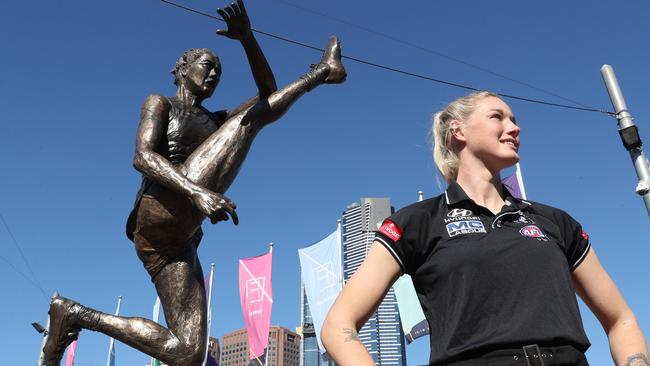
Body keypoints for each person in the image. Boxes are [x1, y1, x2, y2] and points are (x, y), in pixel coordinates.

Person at [42, 1, 346, 365]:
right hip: (159, 209)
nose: (215, 73)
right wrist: (198, 193)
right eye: (208, 65)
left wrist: (248, 39)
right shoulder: (160, 102)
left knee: (187, 353)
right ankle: (321, 74)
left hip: (179, 240)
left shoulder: (215, 121)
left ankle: (74, 314)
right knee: (248, 121)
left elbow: (268, 93)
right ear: (182, 69)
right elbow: (142, 157)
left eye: (219, 69)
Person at [321, 91, 648, 365]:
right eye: (498, 117)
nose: (514, 128)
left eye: (515, 120)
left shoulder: (556, 222)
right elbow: (338, 326)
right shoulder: (416, 222)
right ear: (458, 130)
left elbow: (621, 319)